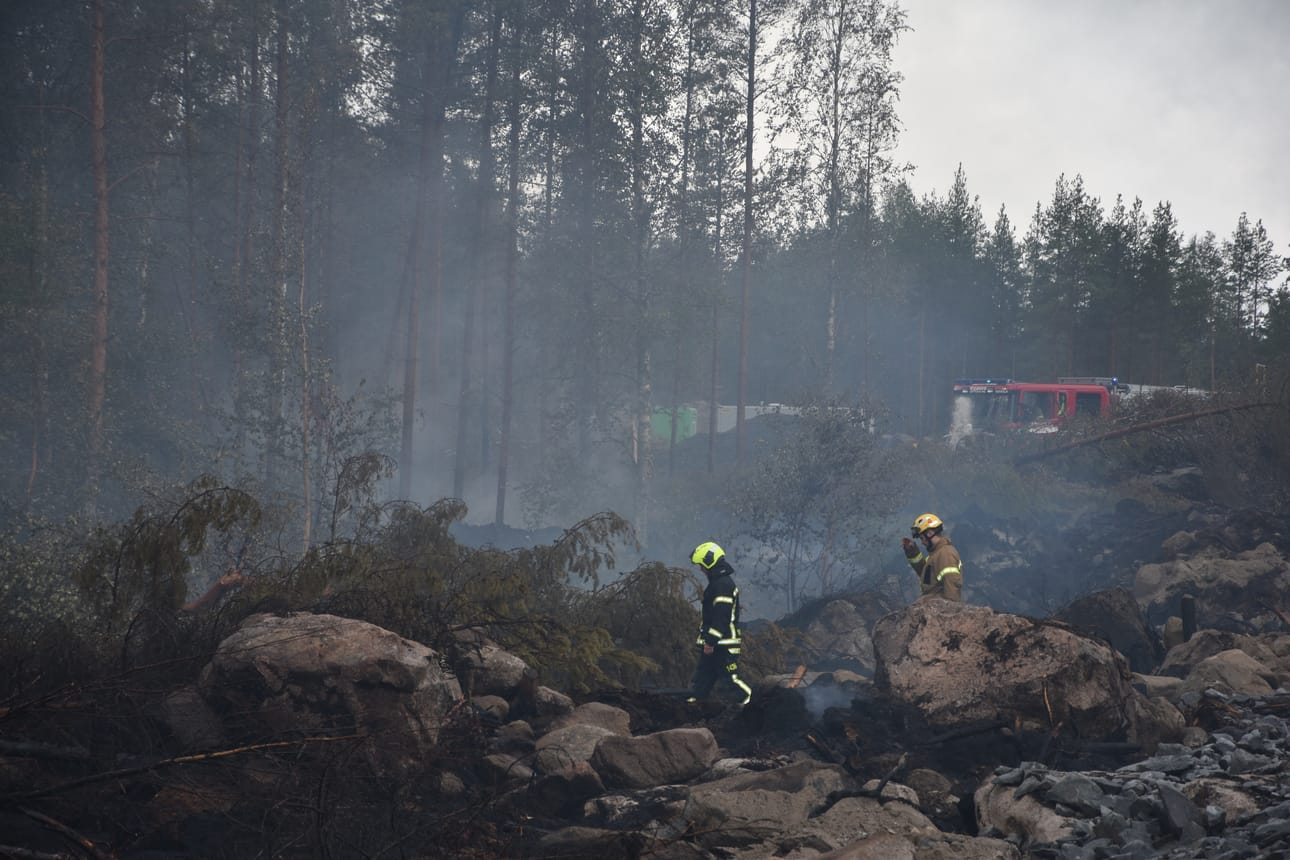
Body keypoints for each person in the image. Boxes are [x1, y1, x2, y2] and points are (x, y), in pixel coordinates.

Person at [687, 541, 753, 706]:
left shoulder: (722, 585)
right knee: (703, 677)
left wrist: (710, 641)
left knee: (731, 679)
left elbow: (721, 618)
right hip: (716, 643)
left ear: (709, 562)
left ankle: (752, 701)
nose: (701, 569)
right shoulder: (717, 584)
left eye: (702, 565)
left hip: (723, 644)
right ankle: (694, 703)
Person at [901, 513, 963, 602]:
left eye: (922, 538)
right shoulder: (936, 554)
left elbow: (951, 584)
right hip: (933, 606)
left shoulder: (945, 554)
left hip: (939, 608)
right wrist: (912, 551)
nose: (922, 542)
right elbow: (927, 576)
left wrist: (949, 612)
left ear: (930, 533)